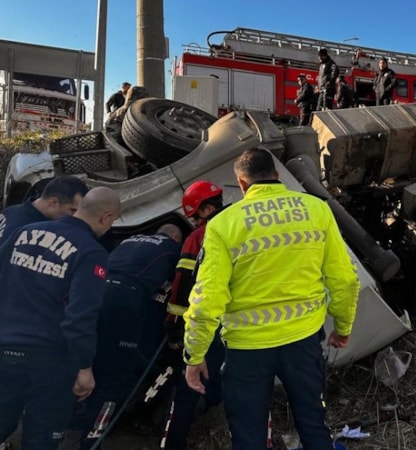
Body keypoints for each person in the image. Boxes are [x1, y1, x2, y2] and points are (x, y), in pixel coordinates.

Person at [183, 148, 360, 450]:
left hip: (246, 350)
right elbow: (344, 280)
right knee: (313, 426)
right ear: (277, 176)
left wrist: (194, 355)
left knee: (248, 436)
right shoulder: (316, 209)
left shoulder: (222, 225)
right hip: (303, 342)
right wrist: (343, 328)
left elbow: (207, 299)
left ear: (241, 183)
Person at [0, 187, 121, 449]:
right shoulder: (91, 253)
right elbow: (81, 316)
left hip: (5, 348)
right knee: (42, 436)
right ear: (106, 217)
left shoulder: (24, 232)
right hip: (49, 360)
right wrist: (84, 367)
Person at [78, 224, 183, 449]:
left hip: (97, 291)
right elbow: (181, 284)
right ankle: (93, 436)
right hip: (125, 299)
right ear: (175, 238)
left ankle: (77, 415)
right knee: (118, 372)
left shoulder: (130, 240)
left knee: (93, 356)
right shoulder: (173, 249)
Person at [161, 181, 227, 450]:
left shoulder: (199, 236)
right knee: (217, 367)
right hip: (244, 321)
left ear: (206, 209)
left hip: (208, 320)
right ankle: (214, 405)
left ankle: (173, 442)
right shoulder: (241, 225)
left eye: (196, 217)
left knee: (190, 382)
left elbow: (183, 283)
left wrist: (174, 327)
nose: (195, 223)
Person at [0, 175, 89, 246]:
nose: (77, 215)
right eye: (73, 210)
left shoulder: (10, 211)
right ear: (53, 203)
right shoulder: (30, 231)